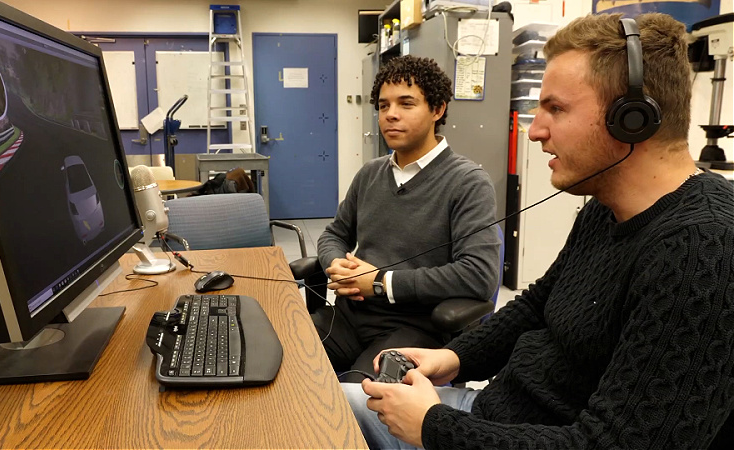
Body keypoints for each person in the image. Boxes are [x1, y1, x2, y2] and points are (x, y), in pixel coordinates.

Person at [343, 13, 734, 449]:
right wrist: (454, 357)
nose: (536, 131)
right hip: (491, 418)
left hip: (491, 435)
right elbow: (534, 307)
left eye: (555, 108)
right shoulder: (603, 211)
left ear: (633, 119)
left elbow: (614, 444)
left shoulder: (703, 248)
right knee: (317, 401)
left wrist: (434, 427)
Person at [313, 55, 501, 382]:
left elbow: (478, 275)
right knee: (281, 359)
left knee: (355, 403)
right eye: (383, 106)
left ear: (437, 109)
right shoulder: (370, 174)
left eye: (406, 103)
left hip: (414, 329)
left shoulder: (468, 183)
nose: (391, 115)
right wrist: (335, 264)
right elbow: (334, 234)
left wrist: (380, 283)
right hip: (347, 319)